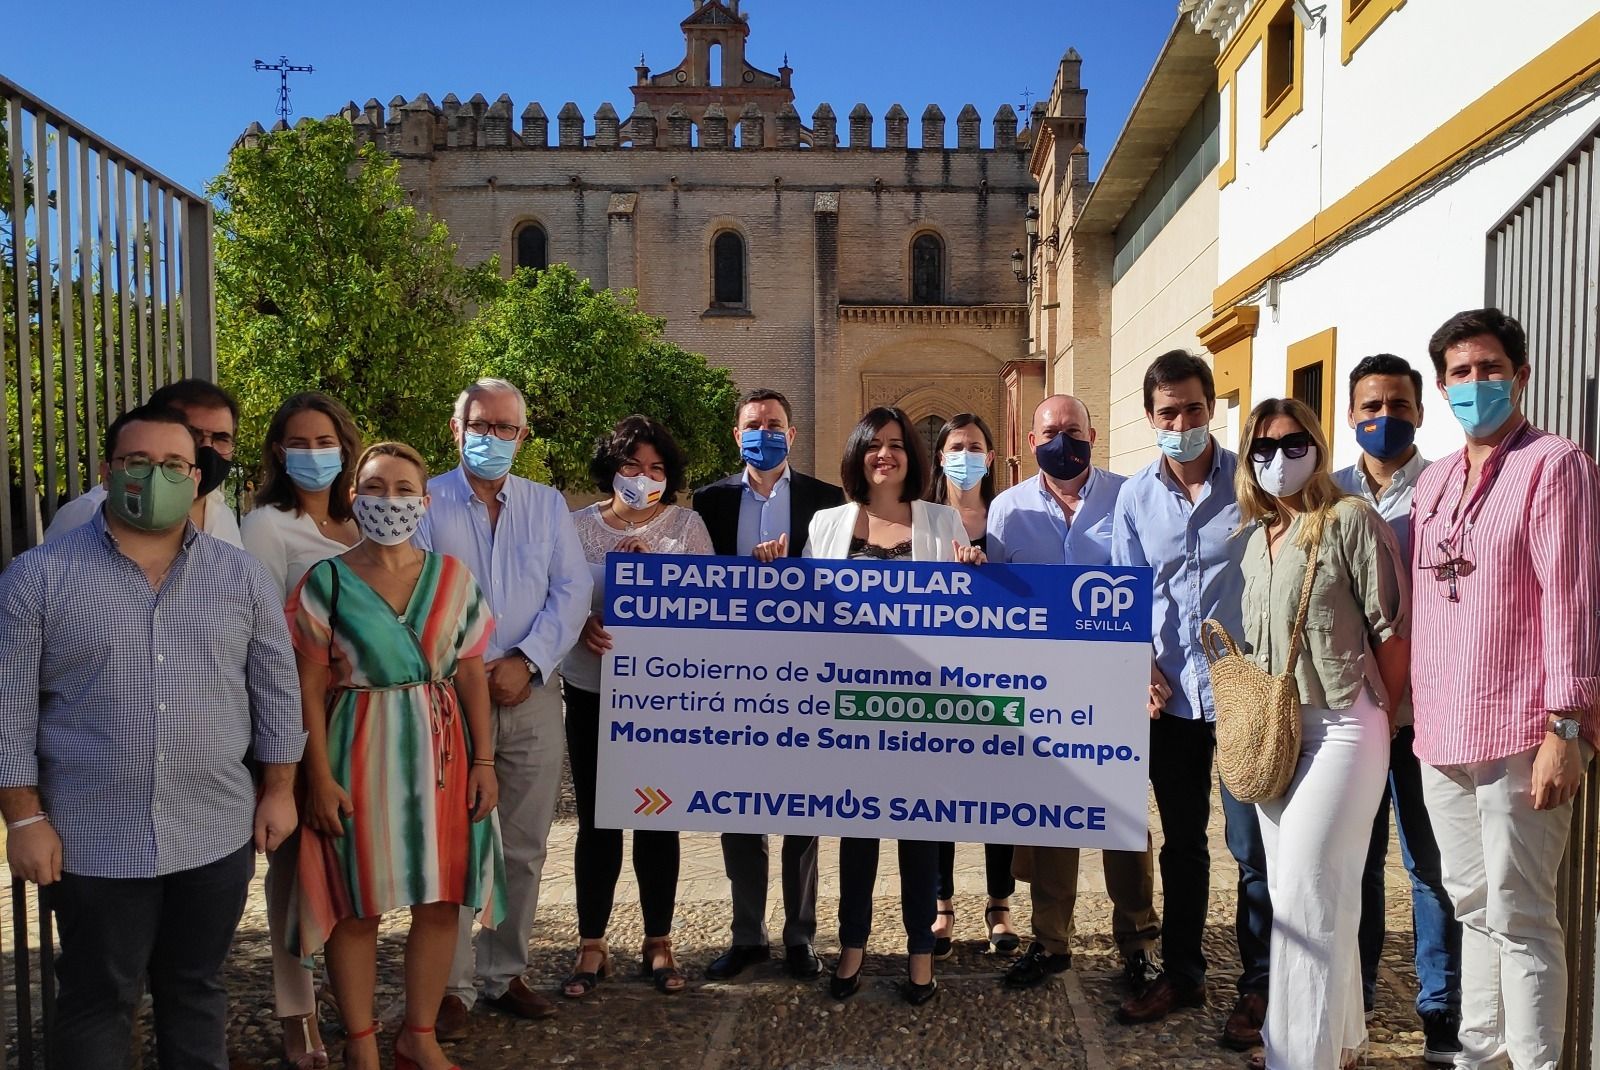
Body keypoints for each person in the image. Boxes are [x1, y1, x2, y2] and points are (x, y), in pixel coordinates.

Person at [0, 403, 304, 1070]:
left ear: (197, 479)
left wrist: (279, 789)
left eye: (173, 465)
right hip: (89, 839)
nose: (155, 476)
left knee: (195, 990)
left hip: (214, 831)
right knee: (97, 998)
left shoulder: (240, 576)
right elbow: (10, 711)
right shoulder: (38, 579)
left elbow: (277, 692)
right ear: (107, 472)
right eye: (138, 462)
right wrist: (24, 819)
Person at [1410, 308, 1599, 1070]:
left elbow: (1573, 597)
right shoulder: (1435, 481)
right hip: (1444, 729)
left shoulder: (1555, 465)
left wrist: (1568, 728)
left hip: (1523, 728)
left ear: (1521, 376)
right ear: (1442, 385)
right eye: (1460, 373)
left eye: (1491, 369)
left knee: (1522, 916)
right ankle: (1479, 1056)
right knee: (1473, 909)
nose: (1476, 384)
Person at [288, 440, 503, 1070]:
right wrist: (317, 778)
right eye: (376, 487)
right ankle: (360, 1043)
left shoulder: (453, 577)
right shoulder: (324, 581)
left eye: (404, 489)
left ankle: (419, 1034)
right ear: (354, 497)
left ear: (425, 500)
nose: (390, 501)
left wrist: (485, 762)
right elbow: (306, 685)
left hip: (443, 755)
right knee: (359, 900)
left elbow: (470, 676)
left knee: (439, 898)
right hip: (356, 748)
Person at [1235, 398, 1410, 1070]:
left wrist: (1380, 721)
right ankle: (1338, 1044)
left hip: (1344, 725)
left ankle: (1292, 1058)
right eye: (1264, 446)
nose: (1279, 457)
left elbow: (1392, 634)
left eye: (1293, 440)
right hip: (1279, 735)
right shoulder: (1256, 541)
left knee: (1305, 896)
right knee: (1305, 894)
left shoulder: (1349, 520)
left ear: (1316, 441)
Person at [418, 379, 591, 1035]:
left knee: (524, 842)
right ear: (456, 429)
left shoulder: (547, 507)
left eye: (506, 428)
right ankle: (449, 986)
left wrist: (526, 661)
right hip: (446, 699)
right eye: (481, 426)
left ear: (523, 437)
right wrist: (467, 667)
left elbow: (570, 590)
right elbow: (417, 590)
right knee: (454, 841)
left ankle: (502, 972)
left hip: (532, 693)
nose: (493, 439)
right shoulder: (426, 501)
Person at [1111, 351, 1273, 1051]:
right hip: (1172, 703)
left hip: (1244, 699)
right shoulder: (1134, 499)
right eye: (1168, 413)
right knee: (1184, 846)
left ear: (1213, 408)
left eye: (1193, 409)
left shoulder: (1252, 482)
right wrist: (1141, 664)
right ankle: (1183, 973)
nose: (1182, 423)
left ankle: (1260, 985)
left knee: (1252, 848)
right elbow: (1125, 593)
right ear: (1151, 419)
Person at [805, 405, 986, 1006]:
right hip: (852, 706)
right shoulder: (828, 524)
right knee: (857, 833)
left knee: (921, 835)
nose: (885, 454)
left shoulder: (940, 522)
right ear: (858, 455)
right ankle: (851, 946)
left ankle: (919, 953)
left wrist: (973, 572)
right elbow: (803, 610)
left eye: (896, 444)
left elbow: (970, 614)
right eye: (873, 445)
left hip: (924, 707)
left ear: (913, 455)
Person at [986, 395, 1161, 993]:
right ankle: (1050, 941)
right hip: (1042, 691)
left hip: (1115, 686)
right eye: (1050, 431)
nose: (1063, 440)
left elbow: (1151, 586)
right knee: (1050, 821)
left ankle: (1137, 941)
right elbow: (994, 600)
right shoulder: (1006, 512)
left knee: (1124, 821)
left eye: (1073, 430)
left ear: (1094, 433)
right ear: (1031, 442)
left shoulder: (1130, 496)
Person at [1332, 355, 1463, 1064]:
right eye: (1371, 405)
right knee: (1355, 861)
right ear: (1351, 414)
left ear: (1420, 409)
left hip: (1422, 714)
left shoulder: (1446, 488)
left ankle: (1440, 1011)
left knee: (1429, 866)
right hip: (1348, 716)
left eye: (1399, 404)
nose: (1385, 417)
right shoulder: (1326, 493)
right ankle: (1355, 999)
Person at [692, 388, 844, 981]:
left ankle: (801, 936)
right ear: (738, 435)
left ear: (793, 434)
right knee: (740, 810)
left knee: (802, 810)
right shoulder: (709, 502)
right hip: (735, 675)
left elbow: (838, 585)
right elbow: (693, 581)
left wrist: (793, 574)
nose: (765, 433)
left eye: (775, 424)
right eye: (754, 424)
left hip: (805, 674)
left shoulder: (826, 502)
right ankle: (747, 934)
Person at [561, 415, 714, 998]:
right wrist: (582, 627)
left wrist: (652, 573)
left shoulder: (686, 526)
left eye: (655, 468)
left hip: (661, 701)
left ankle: (659, 940)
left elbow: (704, 608)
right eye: (632, 465)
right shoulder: (576, 527)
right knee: (597, 820)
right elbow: (560, 598)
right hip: (592, 690)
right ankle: (591, 943)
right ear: (612, 468)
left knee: (656, 815)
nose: (643, 477)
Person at [239, 391, 364, 1069]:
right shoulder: (266, 526)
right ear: (278, 452)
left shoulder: (362, 524)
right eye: (299, 442)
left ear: (346, 447)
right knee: (292, 875)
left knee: (345, 873)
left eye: (325, 442)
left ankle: (353, 1005)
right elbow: (258, 638)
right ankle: (297, 1013)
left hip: (363, 725)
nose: (312, 455)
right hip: (294, 721)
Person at [923, 413, 1021, 957]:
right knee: (939, 793)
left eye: (975, 446)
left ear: (991, 456)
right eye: (956, 445)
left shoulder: (1008, 518)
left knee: (996, 795)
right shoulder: (922, 522)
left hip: (998, 674)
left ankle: (1000, 904)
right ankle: (942, 906)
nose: (966, 454)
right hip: (937, 677)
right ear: (940, 456)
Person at [45, 378, 244, 548]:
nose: (207, 448)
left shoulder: (221, 515)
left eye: (221, 438)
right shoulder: (88, 513)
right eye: (193, 434)